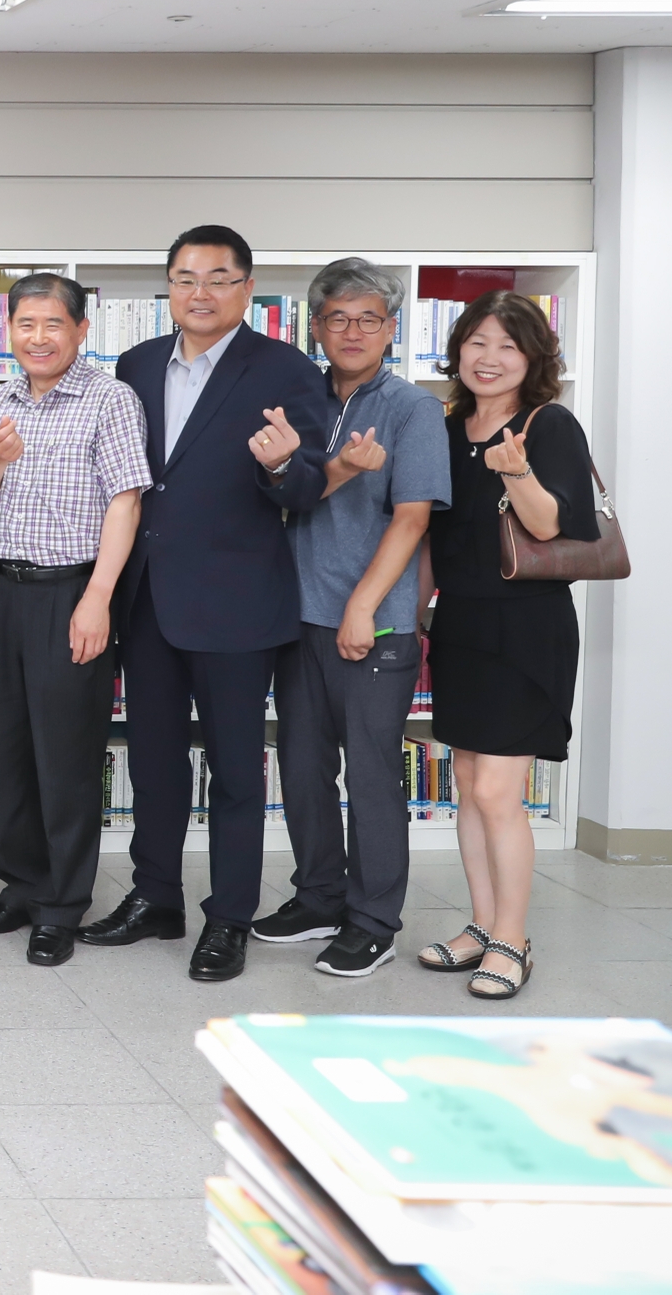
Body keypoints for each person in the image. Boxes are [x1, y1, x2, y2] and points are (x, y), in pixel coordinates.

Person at [90, 225, 328, 983]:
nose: (201, 293)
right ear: (168, 286)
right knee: (153, 762)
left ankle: (228, 917)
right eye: (186, 278)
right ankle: (156, 897)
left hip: (237, 604)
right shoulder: (135, 363)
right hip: (148, 600)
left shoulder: (286, 369)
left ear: (247, 289)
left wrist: (283, 465)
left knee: (234, 773)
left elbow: (310, 486)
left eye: (219, 278)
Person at [258, 258, 450, 978]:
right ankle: (319, 898)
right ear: (315, 327)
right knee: (304, 768)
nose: (352, 331)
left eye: (368, 318)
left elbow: (412, 518)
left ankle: (373, 920)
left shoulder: (412, 408)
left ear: (392, 328)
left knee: (370, 776)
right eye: (337, 317)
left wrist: (363, 605)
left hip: (374, 623)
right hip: (295, 617)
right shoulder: (299, 401)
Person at [0, 273, 150, 968]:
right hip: (1, 590)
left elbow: (126, 502)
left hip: (71, 592)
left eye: (53, 324)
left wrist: (98, 598)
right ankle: (22, 888)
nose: (37, 338)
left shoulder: (110, 399)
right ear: (8, 330)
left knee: (65, 757)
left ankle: (62, 906)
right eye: (25, 324)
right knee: (7, 751)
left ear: (81, 330)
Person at [419, 291, 597, 1002]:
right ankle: (483, 926)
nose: (489, 358)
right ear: (458, 349)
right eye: (477, 343)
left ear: (534, 358)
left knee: (498, 791)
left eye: (508, 346)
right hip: (461, 624)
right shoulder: (444, 427)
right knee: (468, 785)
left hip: (525, 629)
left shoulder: (548, 424)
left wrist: (514, 469)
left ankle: (513, 940)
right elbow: (429, 534)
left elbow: (552, 527)